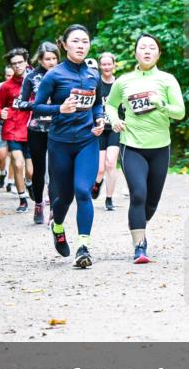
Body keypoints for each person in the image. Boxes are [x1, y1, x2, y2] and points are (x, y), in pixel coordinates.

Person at [105, 34, 185, 264]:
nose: (147, 51)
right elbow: (110, 105)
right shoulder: (124, 81)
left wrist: (163, 105)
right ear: (135, 53)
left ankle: (138, 222)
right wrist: (114, 120)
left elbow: (179, 112)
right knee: (138, 194)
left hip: (160, 147)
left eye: (152, 48)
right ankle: (139, 246)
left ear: (159, 53)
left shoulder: (168, 80)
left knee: (151, 202)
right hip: (132, 145)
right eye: (142, 47)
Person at [33, 25, 105, 268]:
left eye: (85, 41)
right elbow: (37, 106)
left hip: (87, 140)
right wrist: (59, 109)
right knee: (63, 198)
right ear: (64, 44)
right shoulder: (54, 75)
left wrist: (99, 119)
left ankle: (83, 246)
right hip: (60, 143)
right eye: (75, 41)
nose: (81, 45)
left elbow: (96, 105)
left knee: (83, 191)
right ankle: (58, 226)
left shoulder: (93, 75)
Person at [16, 42, 60, 224]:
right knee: (39, 170)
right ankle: (39, 203)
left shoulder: (63, 75)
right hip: (37, 129)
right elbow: (20, 103)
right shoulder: (32, 78)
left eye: (54, 58)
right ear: (40, 60)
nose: (51, 62)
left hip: (58, 128)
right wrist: (38, 106)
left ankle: (54, 210)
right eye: (47, 59)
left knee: (56, 170)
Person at [0, 49, 32, 213]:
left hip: (32, 129)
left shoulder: (36, 81)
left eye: (20, 62)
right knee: (18, 162)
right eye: (13, 64)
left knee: (31, 170)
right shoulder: (6, 87)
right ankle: (22, 199)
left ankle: (29, 184)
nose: (17, 66)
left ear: (26, 62)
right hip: (13, 129)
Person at [92, 51, 124, 211]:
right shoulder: (96, 83)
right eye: (103, 64)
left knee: (111, 163)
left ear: (114, 65)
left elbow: (126, 106)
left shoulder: (119, 84)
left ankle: (109, 198)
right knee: (100, 168)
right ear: (100, 66)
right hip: (99, 128)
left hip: (114, 128)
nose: (106, 67)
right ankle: (97, 183)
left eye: (109, 64)